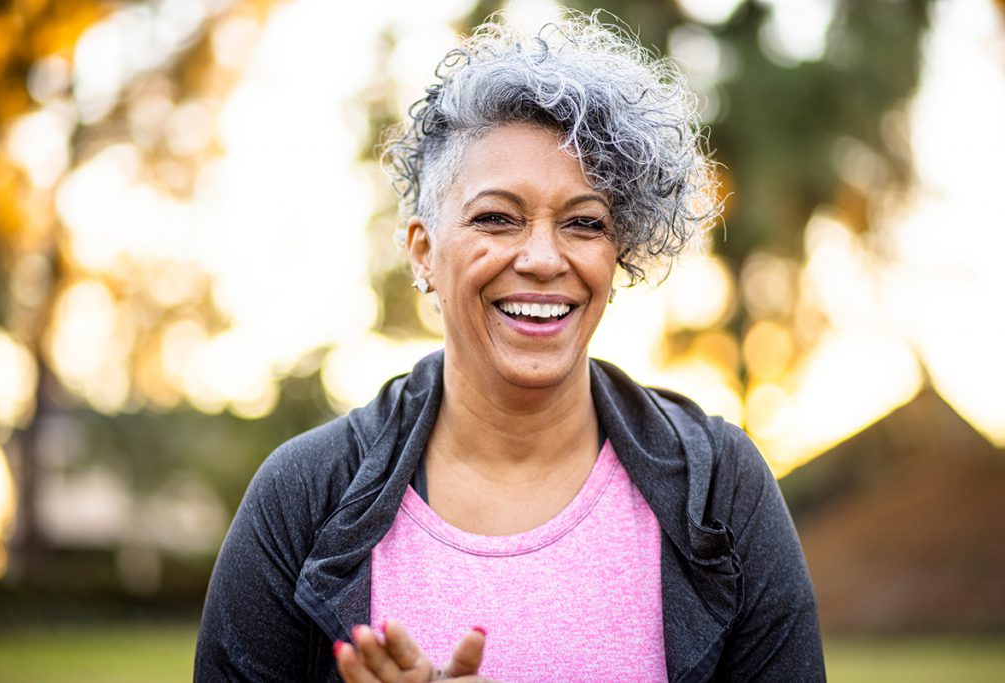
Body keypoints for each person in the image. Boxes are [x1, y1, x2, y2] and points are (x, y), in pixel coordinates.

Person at [195, 10, 825, 682]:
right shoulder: (302, 496)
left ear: (619, 254)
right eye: (497, 217)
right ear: (424, 252)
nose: (544, 258)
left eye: (585, 223)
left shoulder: (722, 491)